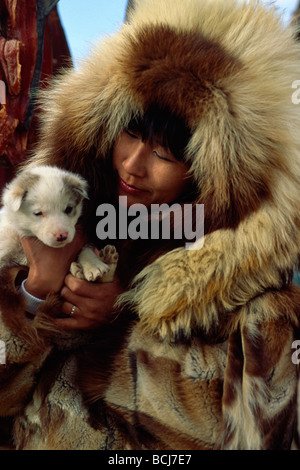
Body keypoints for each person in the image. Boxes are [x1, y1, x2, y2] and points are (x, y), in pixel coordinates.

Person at [0, 0, 300, 450]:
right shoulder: (54, 231)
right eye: (131, 134)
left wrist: (120, 319)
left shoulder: (261, 310)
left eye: (165, 153)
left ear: (208, 172)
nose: (133, 166)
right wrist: (34, 292)